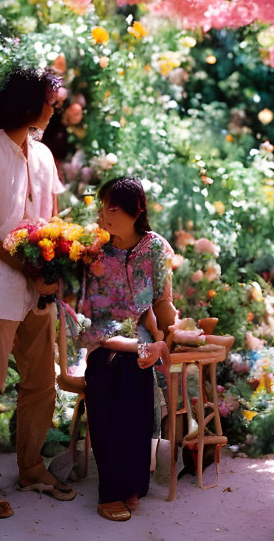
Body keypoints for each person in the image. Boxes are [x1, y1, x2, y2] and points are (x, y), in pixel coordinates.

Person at [0, 67, 72, 518]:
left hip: (40, 291)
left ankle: (30, 467)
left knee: (41, 383)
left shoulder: (44, 155)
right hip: (3, 286)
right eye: (50, 102)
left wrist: (57, 268)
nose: (55, 110)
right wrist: (25, 266)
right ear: (29, 103)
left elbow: (56, 222)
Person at [77, 177, 174, 522]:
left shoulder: (155, 248)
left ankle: (131, 482)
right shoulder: (93, 251)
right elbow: (88, 315)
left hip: (143, 342)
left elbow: (162, 302)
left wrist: (169, 340)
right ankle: (110, 492)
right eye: (102, 207)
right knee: (105, 376)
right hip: (102, 341)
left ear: (137, 211)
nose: (105, 215)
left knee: (136, 374)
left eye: (113, 208)